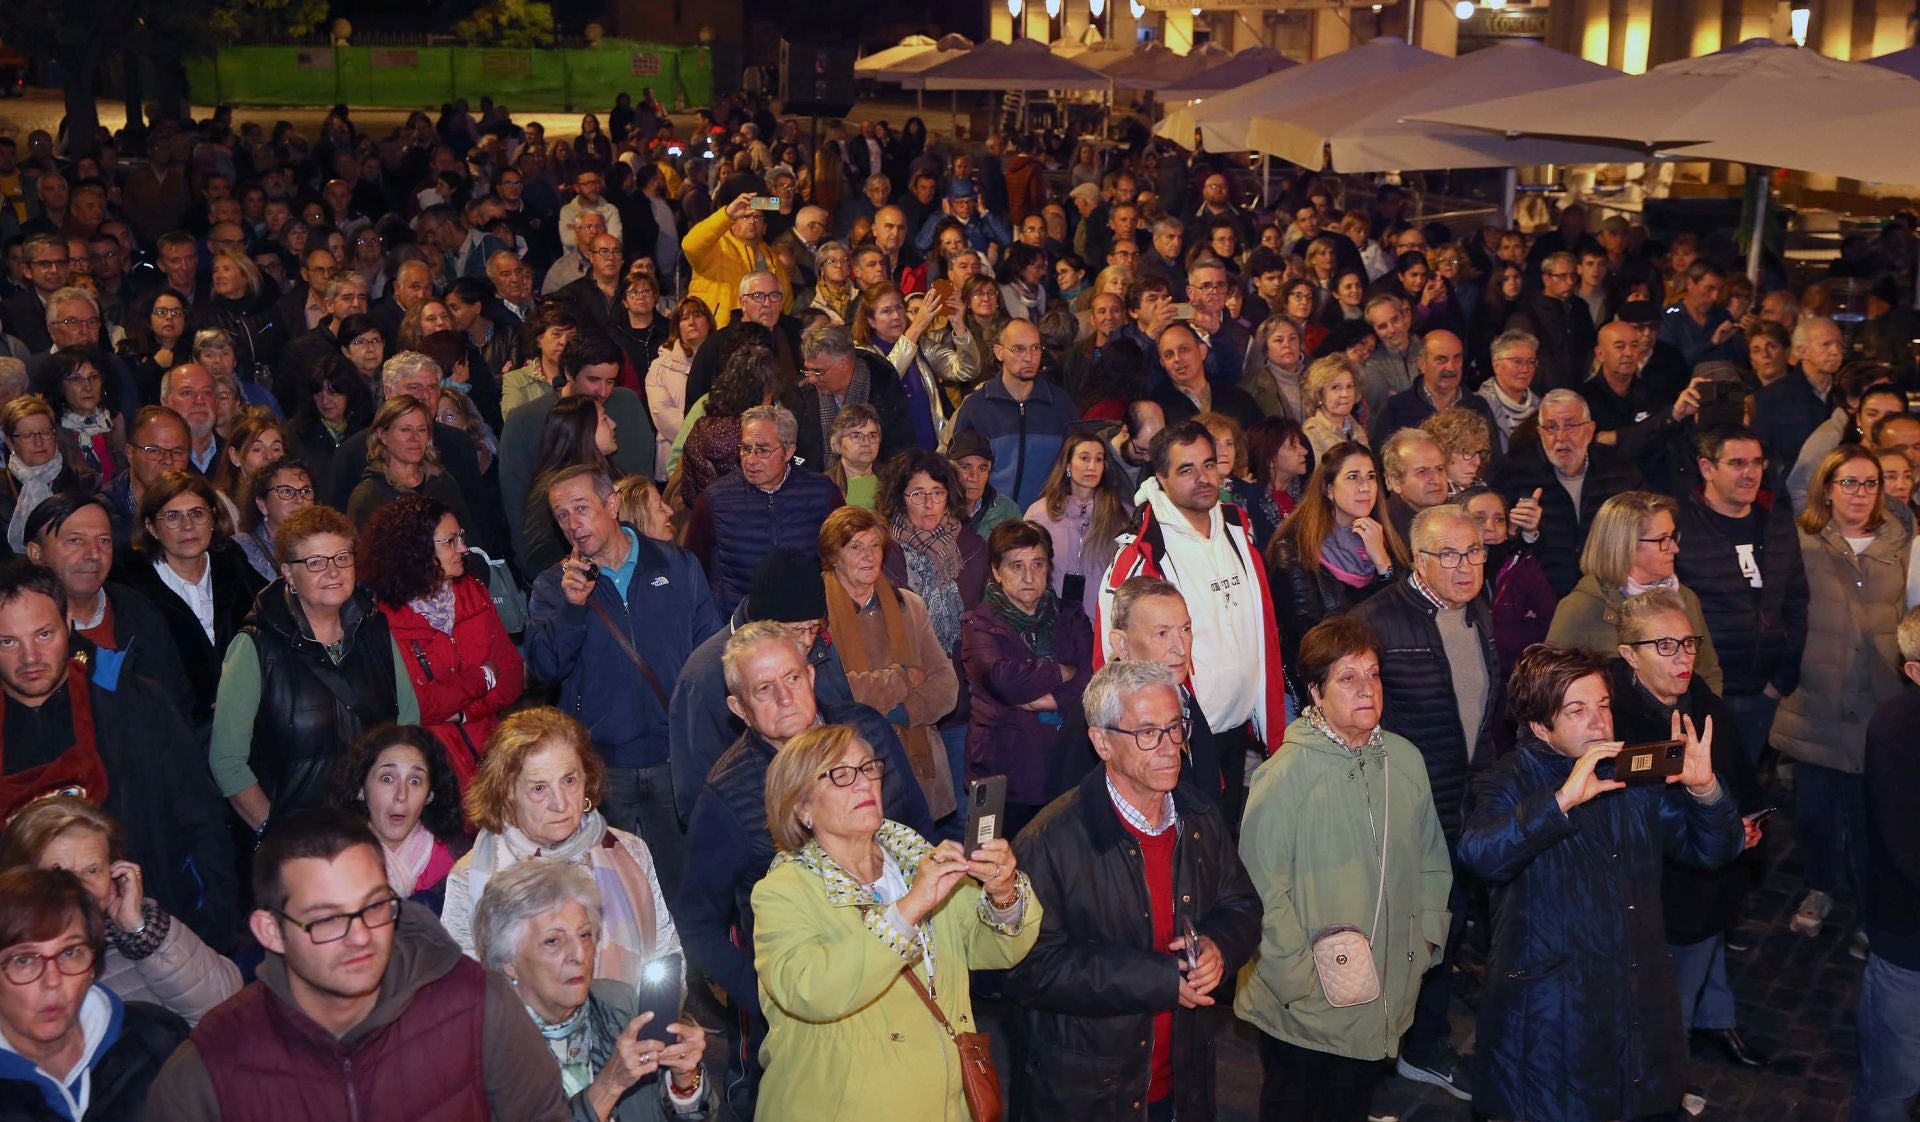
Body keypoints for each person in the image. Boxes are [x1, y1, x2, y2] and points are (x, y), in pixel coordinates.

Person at [1458, 644, 1742, 1122]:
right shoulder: (1504, 780)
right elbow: (1480, 855)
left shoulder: (1629, 769)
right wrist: (1560, 801)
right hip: (1551, 1016)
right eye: (1576, 710)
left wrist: (1704, 791)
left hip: (1633, 999)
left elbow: (1714, 851)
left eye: (1603, 706)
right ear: (1537, 725)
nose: (1598, 722)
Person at [145, 808, 572, 1120]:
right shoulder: (209, 1070)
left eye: (373, 906)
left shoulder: (476, 1004)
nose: (361, 936)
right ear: (271, 931)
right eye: (328, 919)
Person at [675, 623, 934, 1114]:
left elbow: (919, 830)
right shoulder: (727, 793)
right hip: (810, 1003)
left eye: (792, 679)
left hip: (910, 976)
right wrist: (768, 998)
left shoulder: (867, 731)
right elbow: (697, 923)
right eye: (763, 690)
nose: (785, 698)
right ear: (739, 708)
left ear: (812, 676)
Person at [1008, 658, 1262, 1122]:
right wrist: (1161, 979)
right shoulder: (1048, 841)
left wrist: (1219, 948)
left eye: (1174, 728)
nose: (1169, 748)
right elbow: (1030, 969)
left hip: (1183, 1077)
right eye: (1148, 733)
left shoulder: (1199, 814)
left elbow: (1240, 904)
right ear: (1102, 741)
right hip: (1090, 1092)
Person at [749, 723, 1039, 1119]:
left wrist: (1002, 891)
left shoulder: (914, 858)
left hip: (945, 1104)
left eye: (868, 768)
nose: (863, 783)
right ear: (801, 808)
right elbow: (810, 990)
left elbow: (991, 949)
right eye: (839, 774)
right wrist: (908, 909)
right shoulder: (783, 891)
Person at [1235, 615, 1453, 1122]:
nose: (1366, 688)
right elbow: (1261, 890)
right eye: (1347, 677)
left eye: (1373, 674)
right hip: (1303, 1007)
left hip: (1384, 991)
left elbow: (1433, 864)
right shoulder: (1284, 775)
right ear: (1316, 691)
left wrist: (1423, 944)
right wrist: (1300, 982)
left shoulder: (1405, 761)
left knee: (1351, 1105)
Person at [1347, 503, 1498, 1096]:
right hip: (1403, 811)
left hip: (1463, 807)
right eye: (1451, 555)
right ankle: (1386, 1051)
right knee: (1401, 936)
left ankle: (1423, 1043)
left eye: (1477, 553)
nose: (1467, 567)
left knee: (1447, 926)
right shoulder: (1377, 623)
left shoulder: (1479, 612)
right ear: (1418, 559)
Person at [524, 467, 722, 898]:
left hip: (674, 760)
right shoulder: (553, 586)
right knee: (613, 894)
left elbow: (710, 655)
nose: (573, 525)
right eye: (561, 516)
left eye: (581, 509)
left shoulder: (675, 563)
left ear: (611, 504)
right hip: (601, 767)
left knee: (682, 888)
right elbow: (543, 667)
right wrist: (572, 609)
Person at [1607, 590, 1769, 1068]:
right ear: (1628, 655)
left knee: (1709, 941)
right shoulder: (1614, 719)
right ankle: (1664, 1073)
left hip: (1713, 866)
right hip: (1658, 883)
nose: (1683, 657)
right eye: (1666, 646)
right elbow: (1640, 810)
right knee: (1667, 992)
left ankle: (1715, 1020)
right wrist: (1716, 823)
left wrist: (1745, 819)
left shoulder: (1702, 698)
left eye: (1689, 643)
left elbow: (1736, 770)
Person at [1099, 421, 1287, 812]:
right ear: (1161, 478)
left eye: (1209, 464)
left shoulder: (1236, 528)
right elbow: (1112, 654)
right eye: (1186, 470)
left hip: (1237, 731)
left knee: (1224, 848)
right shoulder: (1141, 553)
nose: (1203, 478)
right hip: (1175, 742)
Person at [1772, 444, 1911, 941]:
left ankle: (1872, 900)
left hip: (1879, 699)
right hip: (1817, 698)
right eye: (1848, 482)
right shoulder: (1801, 540)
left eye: (1870, 483)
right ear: (1827, 489)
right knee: (1814, 813)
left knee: (1874, 813)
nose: (1860, 493)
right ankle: (1821, 886)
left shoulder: (1902, 542)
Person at [212, 504, 417, 835]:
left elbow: (408, 728)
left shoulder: (376, 631)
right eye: (315, 562)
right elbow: (227, 762)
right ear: (288, 574)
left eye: (342, 558)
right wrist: (277, 833)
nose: (333, 572)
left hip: (376, 830)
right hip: (297, 837)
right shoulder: (255, 647)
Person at [442, 707, 680, 992]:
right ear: (507, 793)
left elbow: (668, 959)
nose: (561, 803)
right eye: (539, 788)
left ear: (587, 779)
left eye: (569, 780)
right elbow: (461, 993)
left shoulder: (629, 851)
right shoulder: (471, 877)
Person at [473, 860, 715, 1121]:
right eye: (553, 941)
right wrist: (608, 1086)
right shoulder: (484, 1050)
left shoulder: (619, 1004)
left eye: (585, 935)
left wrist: (684, 1080)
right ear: (509, 962)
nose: (579, 954)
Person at [0, 796, 240, 1026]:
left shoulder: (137, 934)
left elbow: (226, 1007)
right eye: (60, 873)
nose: (82, 888)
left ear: (114, 872)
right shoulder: (11, 959)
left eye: (93, 870)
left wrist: (140, 931)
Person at [358, 496, 525, 792]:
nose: (463, 548)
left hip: (494, 758)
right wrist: (483, 676)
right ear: (417, 550)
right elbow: (418, 706)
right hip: (435, 770)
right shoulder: (385, 621)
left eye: (461, 537)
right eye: (450, 541)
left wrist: (464, 712)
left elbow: (512, 675)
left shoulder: (474, 593)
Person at [0, 866, 189, 1119]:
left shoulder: (157, 1038)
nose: (52, 981)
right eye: (24, 960)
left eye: (71, 953)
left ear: (93, 967)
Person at [821, 507, 961, 821]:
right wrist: (903, 679)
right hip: (847, 768)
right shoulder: (816, 616)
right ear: (833, 555)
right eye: (855, 547)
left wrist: (901, 712)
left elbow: (946, 686)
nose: (869, 556)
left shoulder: (909, 605)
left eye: (874, 546)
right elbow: (835, 691)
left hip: (918, 770)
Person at [961, 521, 1095, 837]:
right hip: (1003, 770)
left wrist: (1053, 699)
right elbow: (1003, 680)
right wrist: (1061, 671)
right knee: (998, 867)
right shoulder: (979, 624)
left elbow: (1092, 677)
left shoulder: (1070, 616)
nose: (1029, 576)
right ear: (996, 572)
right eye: (1016, 566)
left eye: (1037, 564)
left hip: (1065, 762)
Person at [112, 470, 264, 725]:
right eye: (172, 516)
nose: (188, 526)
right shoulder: (129, 582)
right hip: (170, 723)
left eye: (197, 513)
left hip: (244, 715)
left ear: (213, 518)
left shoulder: (231, 562)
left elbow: (267, 625)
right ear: (151, 527)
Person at [19, 491, 193, 710]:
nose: (93, 554)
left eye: (103, 541)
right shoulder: (16, 628)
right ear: (37, 553)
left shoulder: (137, 609)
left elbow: (177, 702)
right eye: (75, 541)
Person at [1265, 441, 1407, 707]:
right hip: (1322, 690)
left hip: (1378, 680)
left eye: (1371, 477)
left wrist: (1383, 565)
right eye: (1353, 477)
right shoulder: (1294, 550)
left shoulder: (1382, 538)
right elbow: (1310, 641)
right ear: (1328, 489)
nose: (1365, 487)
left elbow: (1404, 619)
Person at [1545, 490, 1724, 692]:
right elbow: (1551, 687)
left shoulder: (1685, 599)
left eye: (1673, 536)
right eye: (1662, 539)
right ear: (1625, 546)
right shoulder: (1579, 608)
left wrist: (1706, 719)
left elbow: (1709, 672)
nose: (1674, 548)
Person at [682, 403, 844, 615]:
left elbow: (840, 562)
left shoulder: (823, 495)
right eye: (746, 449)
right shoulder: (714, 500)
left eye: (763, 450)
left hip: (805, 622)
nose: (751, 460)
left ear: (789, 452)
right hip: (737, 625)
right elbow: (694, 570)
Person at [1856, 604, 1920, 1121]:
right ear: (1915, 672)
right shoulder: (1896, 730)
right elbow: (1905, 847)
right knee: (1895, 1082)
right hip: (1908, 941)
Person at [1492, 388, 1644, 598]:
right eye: (1551, 428)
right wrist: (1525, 534)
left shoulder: (1620, 473)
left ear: (1590, 431)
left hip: (1610, 596)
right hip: (1542, 602)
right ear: (1540, 433)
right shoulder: (1514, 475)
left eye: (1571, 426)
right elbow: (1500, 556)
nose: (1561, 437)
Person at [327, 724, 466, 911]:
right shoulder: (329, 860)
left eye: (415, 781)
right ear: (361, 788)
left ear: (429, 795)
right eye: (387, 779)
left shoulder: (460, 864)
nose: (401, 795)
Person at [945, 319, 1079, 510]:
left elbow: (1074, 464)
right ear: (999, 352)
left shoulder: (1060, 404)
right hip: (990, 523)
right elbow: (958, 472)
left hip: (1048, 519)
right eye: (1018, 349)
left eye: (1035, 348)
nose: (1029, 357)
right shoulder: (977, 407)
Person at [1024, 430, 1131, 623]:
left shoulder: (1122, 516)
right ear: (1067, 465)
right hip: (1048, 622)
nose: (1092, 466)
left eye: (1099, 459)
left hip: (1102, 624)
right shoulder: (1039, 514)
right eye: (1084, 458)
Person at [345, 395, 471, 531]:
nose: (415, 438)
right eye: (405, 430)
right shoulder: (368, 497)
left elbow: (468, 539)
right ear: (383, 435)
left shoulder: (444, 484)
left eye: (421, 430)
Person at [0, 397, 94, 556]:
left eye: (45, 432)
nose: (39, 442)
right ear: (10, 442)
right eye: (27, 435)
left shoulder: (83, 480)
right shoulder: (3, 485)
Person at [646, 298, 714, 476]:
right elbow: (663, 415)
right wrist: (705, 439)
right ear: (677, 327)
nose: (691, 322)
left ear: (708, 321)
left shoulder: (723, 361)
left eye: (697, 315)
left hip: (716, 458)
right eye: (684, 318)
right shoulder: (660, 366)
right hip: (674, 463)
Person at [1300, 355, 1367, 460]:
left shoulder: (1357, 429)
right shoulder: (1310, 434)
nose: (1345, 394)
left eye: (1350, 386)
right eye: (1336, 387)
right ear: (1319, 395)